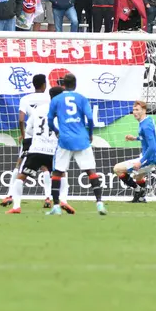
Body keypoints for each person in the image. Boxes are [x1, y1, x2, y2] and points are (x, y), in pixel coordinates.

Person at [6, 86, 75, 215]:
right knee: (62, 174)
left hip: (36, 149)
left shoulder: (39, 109)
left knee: (21, 177)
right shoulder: (64, 112)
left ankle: (16, 206)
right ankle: (64, 200)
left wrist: (38, 136)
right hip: (53, 151)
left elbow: (28, 129)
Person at [47, 73, 107, 216]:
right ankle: (99, 203)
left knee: (57, 172)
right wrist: (90, 133)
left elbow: (49, 119)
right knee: (91, 171)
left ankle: (56, 206)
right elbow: (91, 118)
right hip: (82, 139)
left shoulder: (56, 99)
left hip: (65, 140)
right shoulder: (81, 98)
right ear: (75, 84)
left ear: (63, 85)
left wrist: (56, 130)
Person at [0, 74, 50, 208]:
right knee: (45, 167)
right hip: (44, 136)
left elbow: (21, 119)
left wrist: (23, 135)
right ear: (44, 85)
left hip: (29, 136)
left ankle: (9, 195)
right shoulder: (49, 98)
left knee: (19, 166)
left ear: (33, 85)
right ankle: (48, 197)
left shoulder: (25, 99)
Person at [113, 101, 156, 204]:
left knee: (117, 169)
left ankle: (138, 189)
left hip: (149, 158)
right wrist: (135, 138)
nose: (134, 112)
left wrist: (141, 161)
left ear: (144, 110)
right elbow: (147, 138)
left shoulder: (145, 125)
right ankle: (141, 198)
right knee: (138, 177)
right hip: (152, 157)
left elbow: (152, 146)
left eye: (137, 110)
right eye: (133, 110)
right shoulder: (147, 121)